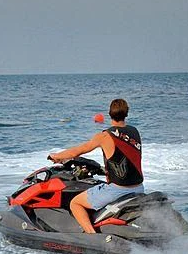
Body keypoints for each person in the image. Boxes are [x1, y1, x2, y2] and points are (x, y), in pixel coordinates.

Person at [48, 99, 143, 234]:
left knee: (75, 203)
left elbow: (78, 151)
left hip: (118, 190)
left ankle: (91, 236)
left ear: (109, 114)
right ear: (126, 113)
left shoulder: (104, 136)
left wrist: (57, 156)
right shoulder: (135, 131)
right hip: (139, 187)